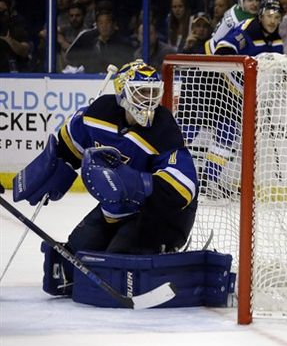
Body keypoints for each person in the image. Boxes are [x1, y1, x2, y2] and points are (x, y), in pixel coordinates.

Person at [12, 59, 198, 257]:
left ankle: (163, 248)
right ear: (122, 91)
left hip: (158, 216)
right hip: (116, 210)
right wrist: (50, 172)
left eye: (153, 92)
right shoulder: (98, 113)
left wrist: (133, 182)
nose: (150, 99)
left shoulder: (164, 129)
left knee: (114, 264)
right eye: (142, 91)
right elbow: (68, 149)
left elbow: (184, 187)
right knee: (74, 258)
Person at [207, 0, 284, 55]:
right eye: (269, 16)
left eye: (277, 17)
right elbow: (224, 47)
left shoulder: (276, 38)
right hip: (211, 57)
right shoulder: (248, 29)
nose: (273, 21)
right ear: (261, 17)